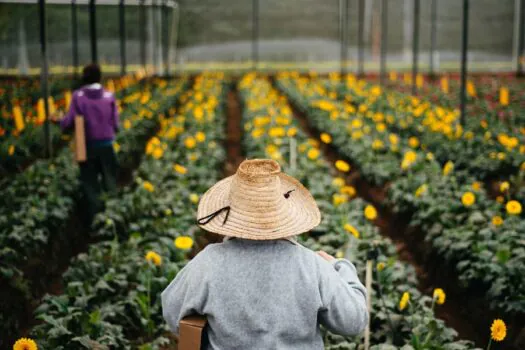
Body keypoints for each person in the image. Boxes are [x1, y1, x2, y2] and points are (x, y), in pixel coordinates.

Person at [161, 159, 368, 350]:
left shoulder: (207, 263)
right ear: (286, 214)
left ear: (230, 213)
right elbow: (353, 322)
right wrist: (341, 267)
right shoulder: (312, 266)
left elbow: (172, 314)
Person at [56, 64, 119, 225]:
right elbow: (116, 124)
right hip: (107, 145)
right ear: (100, 77)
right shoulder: (109, 96)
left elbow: (69, 121)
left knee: (90, 184)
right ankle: (113, 216)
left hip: (88, 147)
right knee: (110, 180)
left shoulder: (78, 96)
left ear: (83, 78)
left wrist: (58, 121)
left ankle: (96, 221)